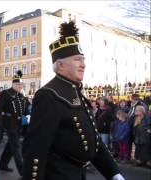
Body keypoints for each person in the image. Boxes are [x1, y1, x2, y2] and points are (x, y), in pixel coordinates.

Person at [22, 21, 125, 180]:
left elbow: (93, 139)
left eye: (83, 59)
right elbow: (36, 148)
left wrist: (113, 172)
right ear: (60, 65)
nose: (83, 65)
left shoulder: (76, 92)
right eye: (78, 59)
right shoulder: (49, 95)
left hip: (77, 173)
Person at [0, 70, 30, 176]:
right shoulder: (6, 93)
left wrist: (27, 115)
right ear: (13, 84)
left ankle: (3, 165)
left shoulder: (21, 95)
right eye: (18, 84)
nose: (20, 86)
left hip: (19, 123)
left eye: (21, 84)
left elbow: (24, 109)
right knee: (16, 146)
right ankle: (23, 171)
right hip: (9, 122)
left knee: (10, 146)